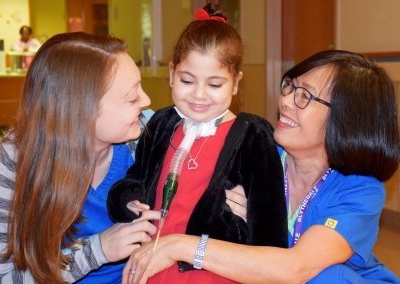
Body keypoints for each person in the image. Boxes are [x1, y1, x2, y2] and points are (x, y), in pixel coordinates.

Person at [122, 49, 400, 283]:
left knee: (326, 276)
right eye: (290, 86)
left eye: (305, 96)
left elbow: (297, 269)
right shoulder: (255, 154)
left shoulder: (360, 190)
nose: (286, 101)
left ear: (346, 120)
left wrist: (179, 245)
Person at [107, 3, 288, 283]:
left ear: (236, 83)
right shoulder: (162, 123)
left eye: (215, 84)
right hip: (150, 267)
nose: (199, 95)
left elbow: (269, 235)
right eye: (187, 80)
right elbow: (134, 179)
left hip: (213, 273)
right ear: (171, 73)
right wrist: (130, 201)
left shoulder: (252, 136)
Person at [0, 32, 161, 283]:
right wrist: (96, 251)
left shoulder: (152, 133)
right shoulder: (17, 158)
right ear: (82, 110)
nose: (146, 101)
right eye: (132, 97)